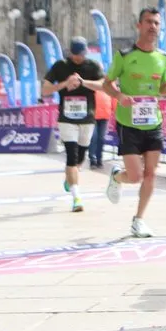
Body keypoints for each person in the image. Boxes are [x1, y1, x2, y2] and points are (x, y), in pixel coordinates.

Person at [102, 7, 166, 238]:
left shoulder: (162, 58)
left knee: (151, 174)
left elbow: (162, 89)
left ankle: (139, 220)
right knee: (136, 176)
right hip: (128, 123)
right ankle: (116, 177)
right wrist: (119, 96)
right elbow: (107, 84)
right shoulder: (124, 55)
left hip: (153, 122)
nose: (153, 27)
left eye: (156, 23)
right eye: (149, 22)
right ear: (139, 26)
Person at [42, 37, 105, 212]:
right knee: (71, 155)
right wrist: (64, 84)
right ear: (70, 52)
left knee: (81, 157)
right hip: (66, 118)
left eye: (82, 54)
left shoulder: (93, 66)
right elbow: (45, 90)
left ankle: (70, 178)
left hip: (87, 117)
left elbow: (103, 86)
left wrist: (83, 82)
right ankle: (77, 197)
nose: (79, 58)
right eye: (76, 55)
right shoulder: (60, 66)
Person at [88, 87, 114, 169]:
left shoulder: (110, 84)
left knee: (101, 139)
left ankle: (99, 160)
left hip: (105, 116)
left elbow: (114, 98)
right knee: (93, 138)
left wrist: (115, 110)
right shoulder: (91, 83)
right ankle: (93, 160)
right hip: (92, 116)